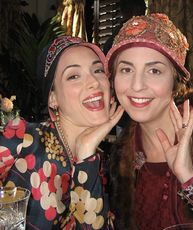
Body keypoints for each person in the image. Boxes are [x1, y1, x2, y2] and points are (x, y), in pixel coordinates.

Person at [106, 13, 193, 229]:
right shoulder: (122, 156)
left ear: (176, 81)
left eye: (154, 70)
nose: (137, 86)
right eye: (126, 69)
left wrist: (189, 177)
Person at [0, 35, 123, 229]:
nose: (94, 82)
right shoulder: (22, 138)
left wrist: (86, 155)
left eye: (98, 70)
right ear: (53, 99)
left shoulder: (99, 161)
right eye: (74, 76)